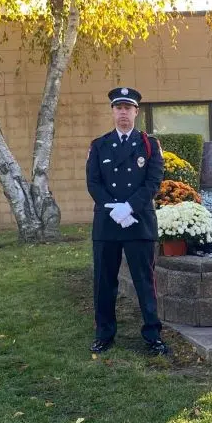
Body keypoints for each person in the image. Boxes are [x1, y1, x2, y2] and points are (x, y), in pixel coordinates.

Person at [85, 87, 167, 354]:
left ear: (136, 112)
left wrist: (129, 207)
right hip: (107, 222)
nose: (123, 113)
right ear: (112, 112)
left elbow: (153, 181)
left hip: (138, 221)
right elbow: (94, 183)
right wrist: (115, 209)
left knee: (145, 281)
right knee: (104, 282)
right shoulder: (99, 145)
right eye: (118, 108)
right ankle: (104, 334)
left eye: (127, 108)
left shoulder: (148, 144)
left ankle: (153, 335)